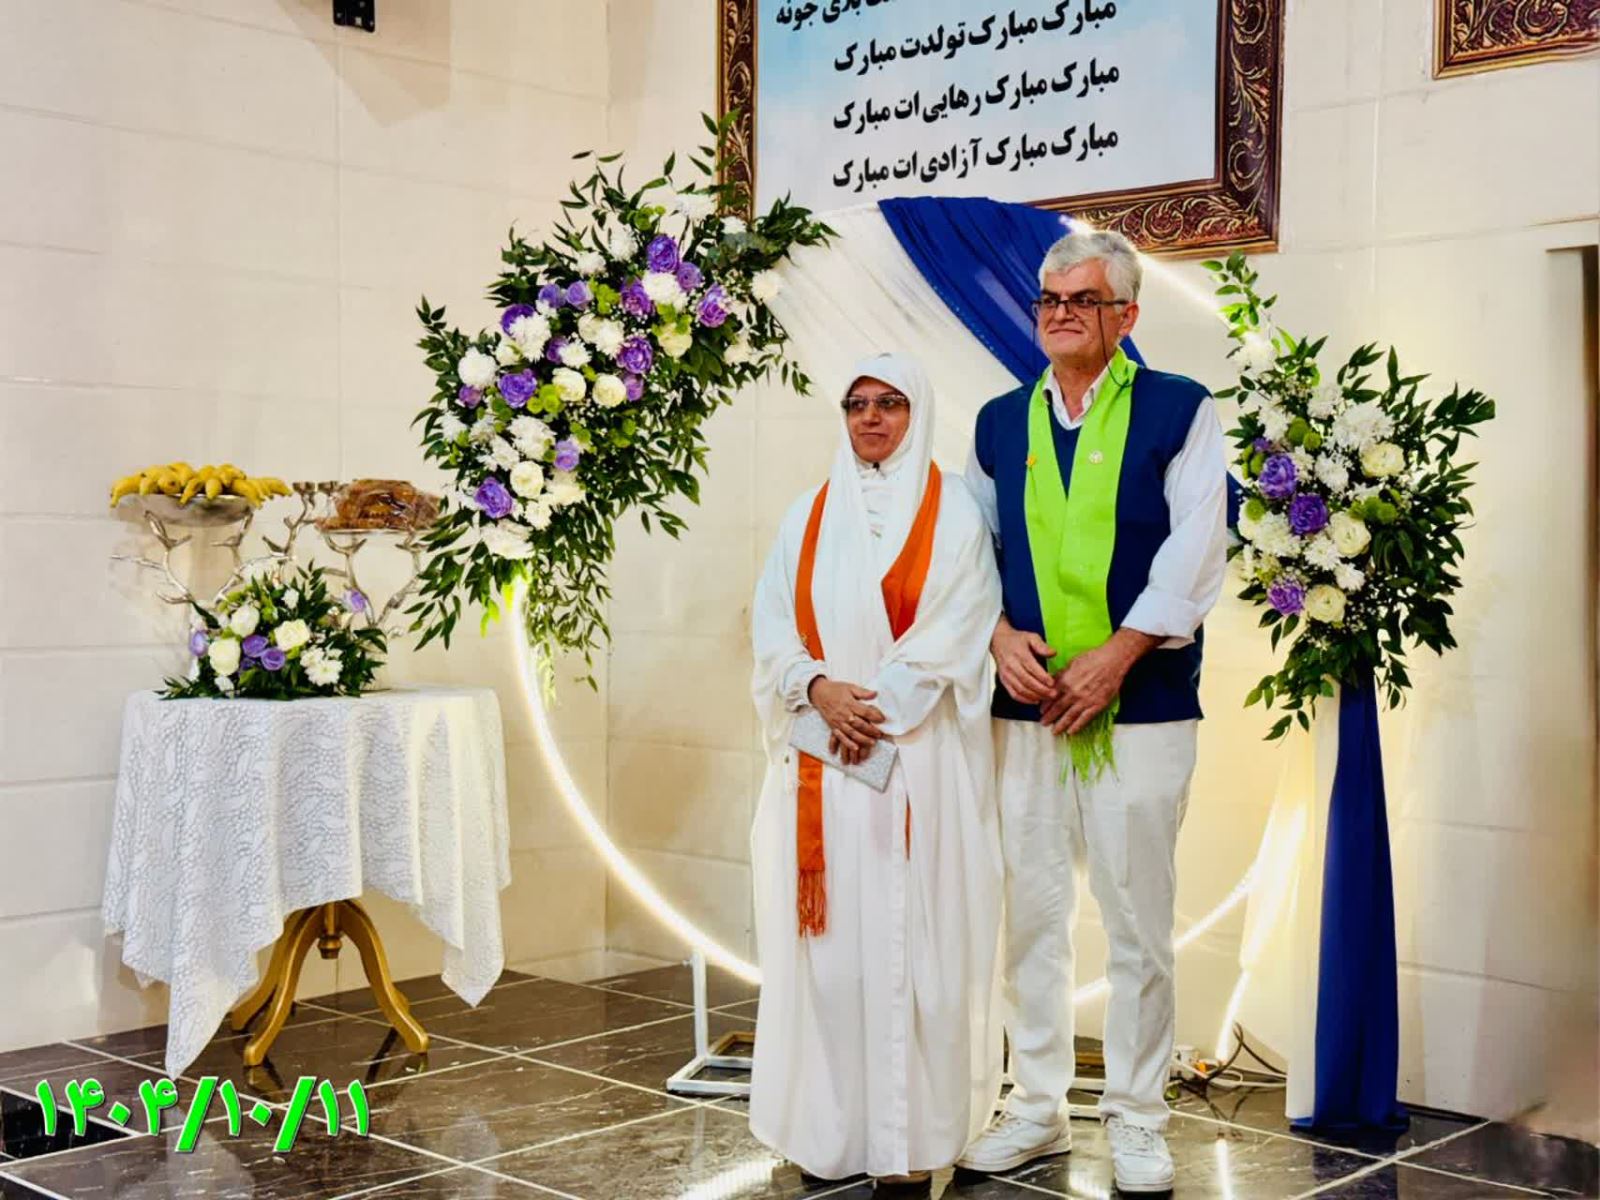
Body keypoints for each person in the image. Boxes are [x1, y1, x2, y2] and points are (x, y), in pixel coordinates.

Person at [957, 230, 1228, 1194]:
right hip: (1025, 704)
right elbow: (968, 551)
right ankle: (1035, 1110)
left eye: (1083, 300)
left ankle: (1137, 1119)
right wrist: (994, 633)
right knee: (1030, 915)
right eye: (1050, 300)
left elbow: (1199, 545)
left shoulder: (1180, 408)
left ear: (1127, 315)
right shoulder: (999, 421)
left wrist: (1116, 656)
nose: (1061, 314)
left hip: (1142, 703)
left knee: (1137, 923)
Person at [748, 353, 1004, 1188]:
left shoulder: (956, 510)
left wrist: (875, 713)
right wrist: (818, 690)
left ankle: (907, 1144)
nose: (870, 417)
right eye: (856, 403)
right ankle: (832, 1135)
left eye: (889, 403)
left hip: (914, 764)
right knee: (830, 960)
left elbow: (960, 624)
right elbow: (772, 625)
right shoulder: (807, 513)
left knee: (914, 952)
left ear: (917, 412)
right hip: (824, 761)